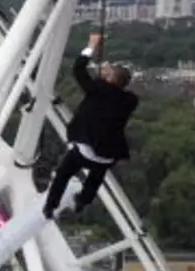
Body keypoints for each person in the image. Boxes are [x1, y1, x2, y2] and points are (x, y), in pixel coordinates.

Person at [44, 33, 138, 218]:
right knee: (96, 176)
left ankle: (50, 206)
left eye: (108, 72)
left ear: (109, 80)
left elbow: (79, 69)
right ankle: (82, 201)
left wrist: (91, 46)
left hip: (87, 149)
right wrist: (104, 77)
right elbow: (112, 91)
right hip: (108, 153)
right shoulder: (130, 100)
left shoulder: (98, 90)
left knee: (63, 174)